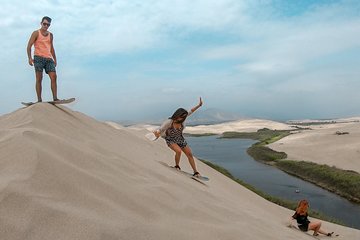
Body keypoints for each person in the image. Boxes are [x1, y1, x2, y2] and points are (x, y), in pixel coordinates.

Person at [154, 97, 203, 177]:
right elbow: (161, 129)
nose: (183, 118)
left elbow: (191, 111)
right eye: (182, 117)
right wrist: (157, 132)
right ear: (177, 115)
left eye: (184, 117)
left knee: (189, 154)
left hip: (180, 139)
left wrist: (199, 105)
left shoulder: (182, 120)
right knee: (178, 151)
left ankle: (196, 172)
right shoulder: (169, 122)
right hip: (171, 139)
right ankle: (177, 166)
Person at [27, 16, 59, 102]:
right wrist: (29, 58)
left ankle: (55, 98)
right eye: (44, 24)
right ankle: (39, 99)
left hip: (48, 58)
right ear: (41, 23)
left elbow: (51, 48)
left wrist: (55, 59)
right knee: (39, 78)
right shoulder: (36, 33)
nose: (46, 26)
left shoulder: (50, 35)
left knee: (54, 76)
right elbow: (29, 46)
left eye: (48, 25)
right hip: (38, 58)